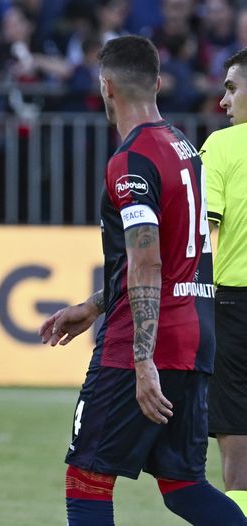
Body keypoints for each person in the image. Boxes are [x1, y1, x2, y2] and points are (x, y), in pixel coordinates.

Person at [38, 35, 246, 526]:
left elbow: (148, 260)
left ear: (105, 88)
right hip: (197, 336)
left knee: (87, 478)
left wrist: (141, 358)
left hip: (143, 344)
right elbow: (174, 254)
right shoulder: (185, 148)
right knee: (183, 486)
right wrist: (95, 303)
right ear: (156, 82)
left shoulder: (130, 162)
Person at [200, 46, 247, 516]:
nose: (223, 101)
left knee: (237, 428)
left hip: (236, 303)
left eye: (231, 88)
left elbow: (206, 230)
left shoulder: (224, 145)